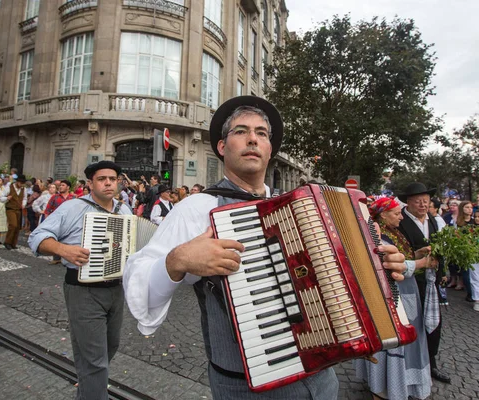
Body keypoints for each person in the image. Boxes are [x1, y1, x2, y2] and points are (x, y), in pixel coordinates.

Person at [123, 96, 407, 399]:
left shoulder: (304, 209)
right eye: (240, 131)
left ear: (270, 149)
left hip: (323, 378)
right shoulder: (197, 208)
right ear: (222, 147)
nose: (252, 139)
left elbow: (339, 280)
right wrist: (177, 260)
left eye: (261, 133)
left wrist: (380, 269)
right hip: (247, 387)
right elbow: (138, 281)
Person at [28, 161, 131, 400]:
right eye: (102, 179)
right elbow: (38, 237)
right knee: (94, 359)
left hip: (116, 289)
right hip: (83, 290)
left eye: (112, 179)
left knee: (109, 347)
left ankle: (87, 393)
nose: (108, 183)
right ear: (90, 184)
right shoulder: (73, 207)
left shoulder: (123, 211)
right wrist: (64, 249)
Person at [354, 197, 434, 400]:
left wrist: (416, 254)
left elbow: (401, 258)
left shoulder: (394, 232)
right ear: (383, 215)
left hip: (404, 294)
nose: (401, 217)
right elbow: (388, 267)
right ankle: (384, 388)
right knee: (393, 341)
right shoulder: (378, 234)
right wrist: (423, 263)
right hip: (391, 298)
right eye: (397, 213)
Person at [397, 182, 451, 384]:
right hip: (411, 282)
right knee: (413, 323)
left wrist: (442, 271)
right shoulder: (400, 222)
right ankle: (410, 366)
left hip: (432, 281)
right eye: (418, 201)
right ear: (408, 202)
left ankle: (432, 363)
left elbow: (440, 248)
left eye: (425, 201)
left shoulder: (433, 220)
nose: (422, 204)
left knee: (434, 323)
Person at [44, 179, 77, 264]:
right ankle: (56, 258)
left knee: (69, 239)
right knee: (56, 239)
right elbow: (47, 210)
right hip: (56, 222)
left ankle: (68, 258)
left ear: (68, 187)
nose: (61, 187)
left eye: (63, 185)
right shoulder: (54, 197)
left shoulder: (73, 198)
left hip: (70, 222)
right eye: (60, 185)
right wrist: (47, 221)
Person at [4, 174, 27, 250]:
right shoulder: (9, 187)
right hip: (10, 208)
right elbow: (2, 195)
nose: (21, 184)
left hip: (18, 209)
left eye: (22, 183)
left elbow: (24, 198)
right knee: (13, 225)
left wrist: (23, 204)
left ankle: (13, 243)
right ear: (17, 182)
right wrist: (7, 198)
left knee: (17, 227)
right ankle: (7, 242)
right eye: (20, 183)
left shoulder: (24, 189)